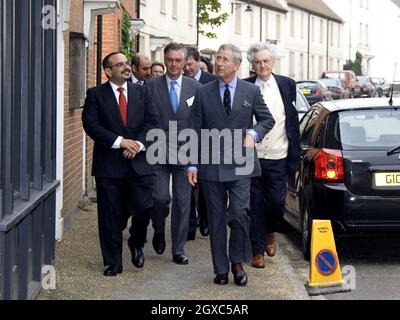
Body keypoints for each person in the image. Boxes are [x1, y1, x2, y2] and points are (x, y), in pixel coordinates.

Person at [188, 44, 275, 286]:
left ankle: (237, 261)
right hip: (211, 165)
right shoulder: (203, 92)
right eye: (218, 58)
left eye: (225, 59)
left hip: (241, 164)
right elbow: (193, 129)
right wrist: (192, 165)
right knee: (216, 218)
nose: (219, 63)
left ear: (237, 65)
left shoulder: (250, 91)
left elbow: (267, 120)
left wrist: (253, 134)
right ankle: (221, 269)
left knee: (239, 213)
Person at [82, 52, 159, 275]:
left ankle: (136, 241)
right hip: (109, 166)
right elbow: (91, 125)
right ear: (108, 71)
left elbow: (153, 122)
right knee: (110, 216)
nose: (126, 67)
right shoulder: (95, 94)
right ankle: (113, 262)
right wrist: (120, 142)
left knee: (144, 208)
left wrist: (137, 145)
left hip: (140, 163)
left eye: (127, 63)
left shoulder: (142, 92)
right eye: (120, 65)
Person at [244, 42, 300, 269]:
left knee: (277, 202)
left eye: (266, 61)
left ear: (273, 62)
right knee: (254, 204)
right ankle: (257, 250)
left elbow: (292, 120)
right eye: (257, 62)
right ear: (252, 65)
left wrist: (295, 155)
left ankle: (270, 231)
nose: (262, 65)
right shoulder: (245, 86)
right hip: (252, 155)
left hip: (279, 154)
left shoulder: (287, 85)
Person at [146, 43, 201, 265]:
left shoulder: (194, 87)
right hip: (157, 150)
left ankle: (178, 249)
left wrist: (194, 161)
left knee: (183, 201)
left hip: (185, 152)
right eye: (170, 60)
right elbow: (144, 118)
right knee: (159, 198)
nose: (174, 64)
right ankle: (159, 228)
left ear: (185, 61)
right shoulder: (150, 85)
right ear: (164, 59)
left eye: (178, 60)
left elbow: (198, 124)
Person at [183, 46, 218, 241]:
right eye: (184, 64)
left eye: (190, 64)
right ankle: (189, 224)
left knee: (205, 184)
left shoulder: (212, 82)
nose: (187, 68)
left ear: (198, 62)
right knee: (186, 183)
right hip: (185, 139)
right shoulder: (180, 83)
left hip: (207, 139)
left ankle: (204, 217)